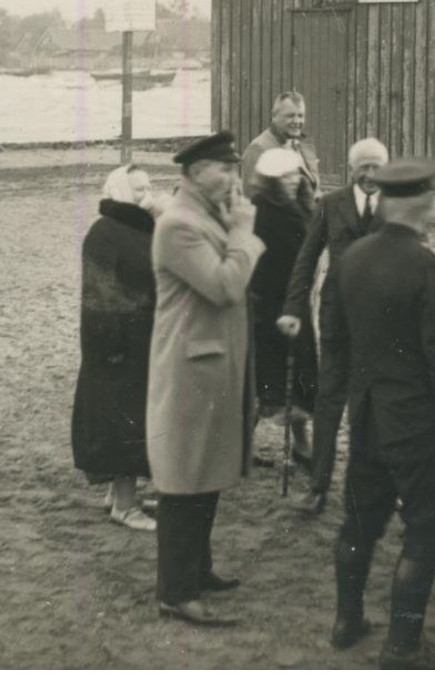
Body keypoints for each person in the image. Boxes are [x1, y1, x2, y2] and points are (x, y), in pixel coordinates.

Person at [322, 159, 435, 667]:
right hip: (420, 423)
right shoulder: (428, 267)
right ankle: (402, 645)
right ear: (424, 201)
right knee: (427, 530)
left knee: (359, 524)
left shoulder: (353, 258)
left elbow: (335, 339)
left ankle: (346, 621)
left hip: (367, 417)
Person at [147, 132, 265, 627]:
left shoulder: (206, 215)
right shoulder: (178, 225)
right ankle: (175, 590)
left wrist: (235, 228)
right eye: (223, 168)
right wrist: (243, 232)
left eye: (235, 168)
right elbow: (223, 286)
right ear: (194, 173)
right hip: (191, 369)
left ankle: (198, 569)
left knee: (207, 472)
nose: (233, 178)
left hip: (215, 366)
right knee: (184, 480)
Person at [279, 137, 390, 515]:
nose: (371, 174)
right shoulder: (329, 205)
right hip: (337, 317)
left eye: (378, 166)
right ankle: (318, 486)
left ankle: (370, 490)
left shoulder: (398, 206)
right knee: (329, 398)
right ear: (351, 168)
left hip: (381, 320)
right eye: (364, 167)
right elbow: (305, 260)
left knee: (374, 402)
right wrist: (294, 306)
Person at [72, 164, 160, 533]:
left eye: (149, 187)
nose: (147, 194)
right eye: (139, 189)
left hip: (133, 341)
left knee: (124, 419)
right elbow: (101, 297)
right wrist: (113, 347)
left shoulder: (131, 228)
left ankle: (118, 495)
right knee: (124, 421)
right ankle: (124, 506)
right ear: (120, 191)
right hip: (118, 346)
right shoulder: (106, 233)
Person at [248, 148, 317, 463]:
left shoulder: (301, 206)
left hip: (296, 301)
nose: (291, 181)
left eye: (294, 175)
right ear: (270, 181)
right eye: (283, 177)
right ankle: (241, 447)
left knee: (299, 375)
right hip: (266, 305)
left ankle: (301, 446)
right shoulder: (259, 211)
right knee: (265, 378)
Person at [242, 91, 320, 199]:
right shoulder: (258, 148)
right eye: (290, 116)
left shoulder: (303, 144)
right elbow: (252, 199)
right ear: (274, 116)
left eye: (300, 116)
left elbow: (314, 188)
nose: (297, 121)